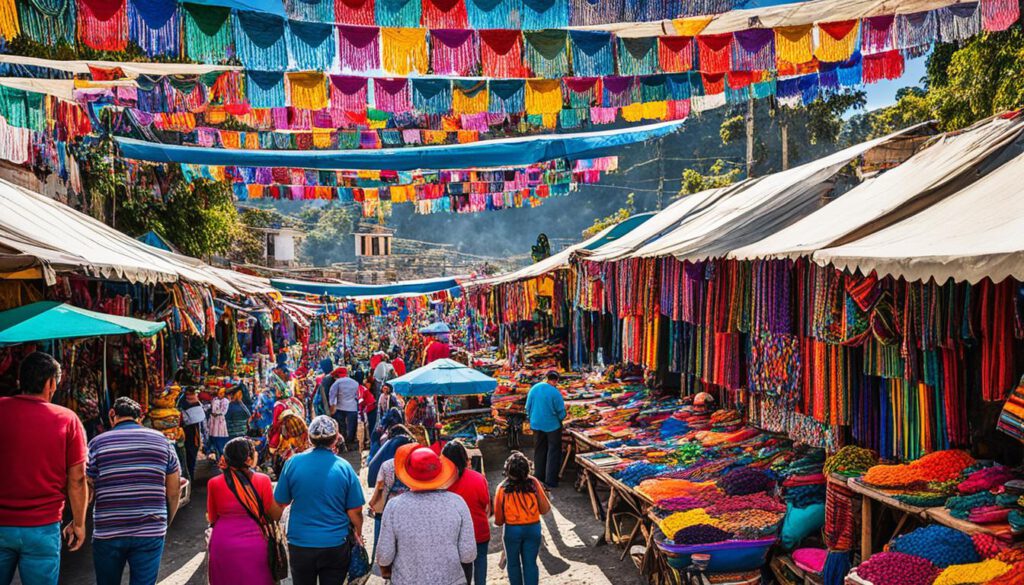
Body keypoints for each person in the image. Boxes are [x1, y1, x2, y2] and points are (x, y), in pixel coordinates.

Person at [0, 352, 88, 585]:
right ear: (51, 383)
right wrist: (79, 523)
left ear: (20, 380)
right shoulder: (67, 419)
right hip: (43, 527)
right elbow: (77, 479)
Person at [87, 397, 182, 585]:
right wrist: (165, 521)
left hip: (108, 529)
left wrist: (78, 521)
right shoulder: (162, 441)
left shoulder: (97, 443)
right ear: (140, 417)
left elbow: (87, 488)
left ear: (112, 414)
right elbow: (174, 490)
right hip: (150, 528)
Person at [275, 416, 365, 585]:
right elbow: (355, 511)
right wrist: (358, 533)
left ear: (310, 439)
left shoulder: (292, 463)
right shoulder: (344, 467)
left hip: (299, 543)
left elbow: (280, 502)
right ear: (336, 439)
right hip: (335, 544)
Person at [377, 445, 477, 585]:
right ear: (439, 472)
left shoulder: (394, 507)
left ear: (409, 475)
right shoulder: (457, 503)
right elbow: (468, 554)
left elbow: (384, 556)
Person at [207, 438, 283, 585]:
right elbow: (274, 514)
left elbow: (212, 518)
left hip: (223, 544)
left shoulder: (214, 483)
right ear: (248, 459)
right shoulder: (263, 480)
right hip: (256, 545)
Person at [494, 452, 551, 585]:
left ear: (507, 470)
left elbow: (498, 520)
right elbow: (545, 509)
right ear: (527, 469)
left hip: (512, 531)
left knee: (513, 564)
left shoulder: (502, 488)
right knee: (530, 564)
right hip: (533, 529)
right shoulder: (534, 483)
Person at [443, 441, 491, 585]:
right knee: (481, 561)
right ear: (465, 458)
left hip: (455, 534)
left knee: (461, 570)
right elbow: (485, 504)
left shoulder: (443, 482)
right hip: (479, 530)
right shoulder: (478, 478)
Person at [367, 425, 413, 561]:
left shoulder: (388, 465)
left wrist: (373, 503)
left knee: (381, 537)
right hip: (408, 507)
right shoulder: (412, 463)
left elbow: (381, 487)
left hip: (387, 507)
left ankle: (379, 557)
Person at [524, 371, 566, 488]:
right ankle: (551, 480)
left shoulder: (534, 388)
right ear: (556, 381)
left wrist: (533, 417)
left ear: (546, 377)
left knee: (539, 450)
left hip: (536, 424)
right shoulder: (555, 393)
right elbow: (561, 413)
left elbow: (527, 407)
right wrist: (560, 419)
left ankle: (538, 477)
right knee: (553, 451)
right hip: (552, 426)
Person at [177, 387, 205, 481]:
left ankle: (189, 476)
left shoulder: (183, 402)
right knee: (190, 454)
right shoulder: (195, 402)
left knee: (188, 454)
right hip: (192, 432)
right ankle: (190, 475)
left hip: (188, 431)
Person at [328, 367, 360, 450]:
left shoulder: (337, 382)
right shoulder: (355, 382)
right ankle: (350, 443)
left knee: (342, 425)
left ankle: (343, 443)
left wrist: (332, 405)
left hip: (340, 407)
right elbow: (357, 395)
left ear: (337, 375)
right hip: (352, 407)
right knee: (352, 426)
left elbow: (332, 394)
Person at [208, 388, 229, 459]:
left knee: (220, 441)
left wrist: (216, 413)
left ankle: (221, 457)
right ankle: (216, 456)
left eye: (221, 393)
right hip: (213, 421)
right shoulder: (215, 399)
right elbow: (211, 408)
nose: (219, 394)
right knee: (213, 439)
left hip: (220, 422)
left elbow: (224, 411)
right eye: (219, 393)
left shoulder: (225, 401)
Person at [359, 382, 378, 449]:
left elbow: (360, 400)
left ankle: (370, 443)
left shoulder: (360, 388)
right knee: (369, 427)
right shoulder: (361, 388)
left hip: (370, 408)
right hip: (368, 408)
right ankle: (368, 443)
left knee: (370, 427)